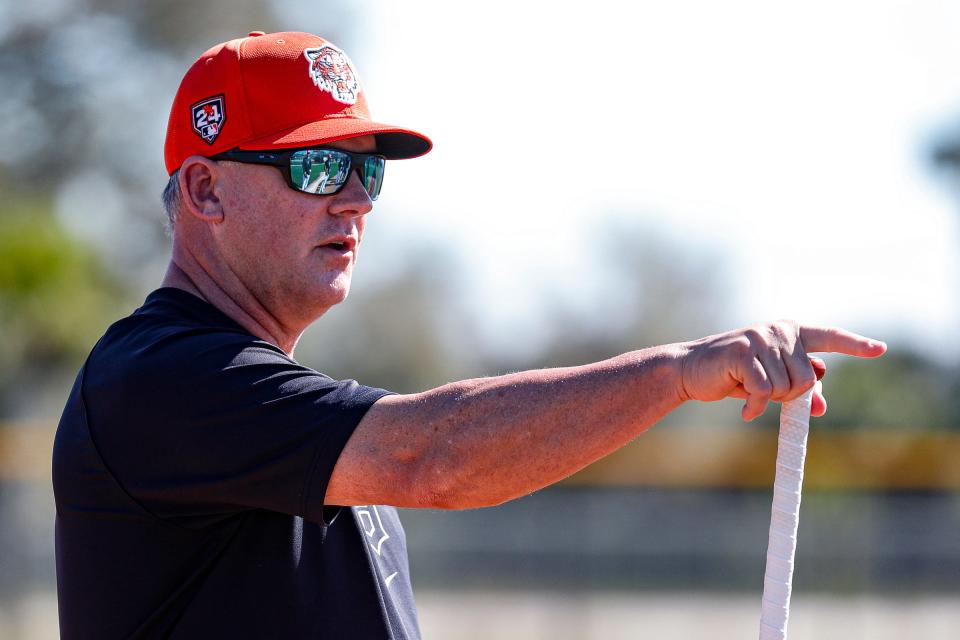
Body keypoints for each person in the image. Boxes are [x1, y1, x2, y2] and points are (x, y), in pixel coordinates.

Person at [52, 30, 886, 639]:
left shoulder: (264, 404)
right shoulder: (157, 379)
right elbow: (432, 457)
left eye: (366, 169)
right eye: (315, 167)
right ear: (203, 191)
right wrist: (675, 371)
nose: (355, 200)